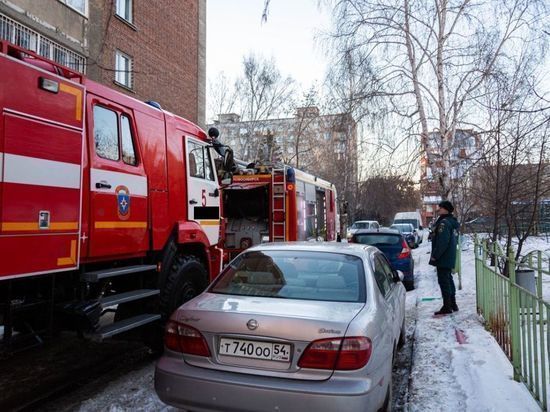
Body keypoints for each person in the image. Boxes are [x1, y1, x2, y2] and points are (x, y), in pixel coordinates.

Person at [429, 200, 460, 315]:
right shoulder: (449, 221)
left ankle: (447, 306)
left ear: (446, 209)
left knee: (444, 281)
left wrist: (435, 256)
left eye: (441, 207)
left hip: (443, 257)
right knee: (448, 279)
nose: (439, 209)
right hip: (448, 256)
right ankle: (452, 304)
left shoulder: (444, 223)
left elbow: (442, 242)